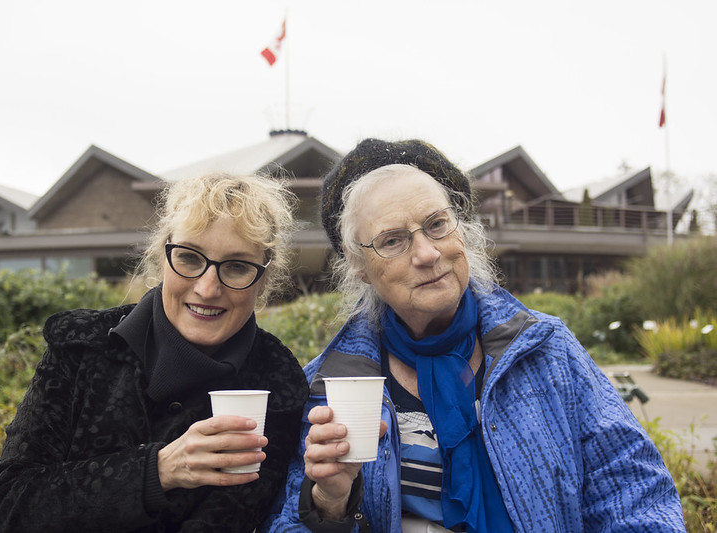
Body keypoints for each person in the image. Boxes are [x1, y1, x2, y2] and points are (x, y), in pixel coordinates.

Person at [265, 139, 685, 532]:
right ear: (359, 266)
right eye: (392, 241)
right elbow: (286, 523)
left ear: (462, 230)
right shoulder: (330, 386)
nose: (427, 253)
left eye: (437, 224)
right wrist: (330, 503)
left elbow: (635, 491)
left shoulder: (545, 350)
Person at [0, 172, 309, 532]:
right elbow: (11, 503)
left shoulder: (276, 381)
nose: (207, 288)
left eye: (237, 267)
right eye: (189, 258)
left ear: (264, 280)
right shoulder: (81, 345)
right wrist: (158, 470)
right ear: (163, 256)